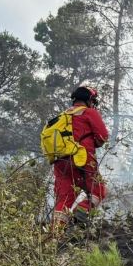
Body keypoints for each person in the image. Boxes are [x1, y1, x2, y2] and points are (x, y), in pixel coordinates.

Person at [51, 84, 108, 232]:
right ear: (89, 100)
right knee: (98, 191)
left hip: (61, 162)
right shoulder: (89, 113)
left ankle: (55, 236)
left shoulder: (63, 116)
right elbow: (102, 137)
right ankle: (79, 215)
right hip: (83, 159)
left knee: (63, 200)